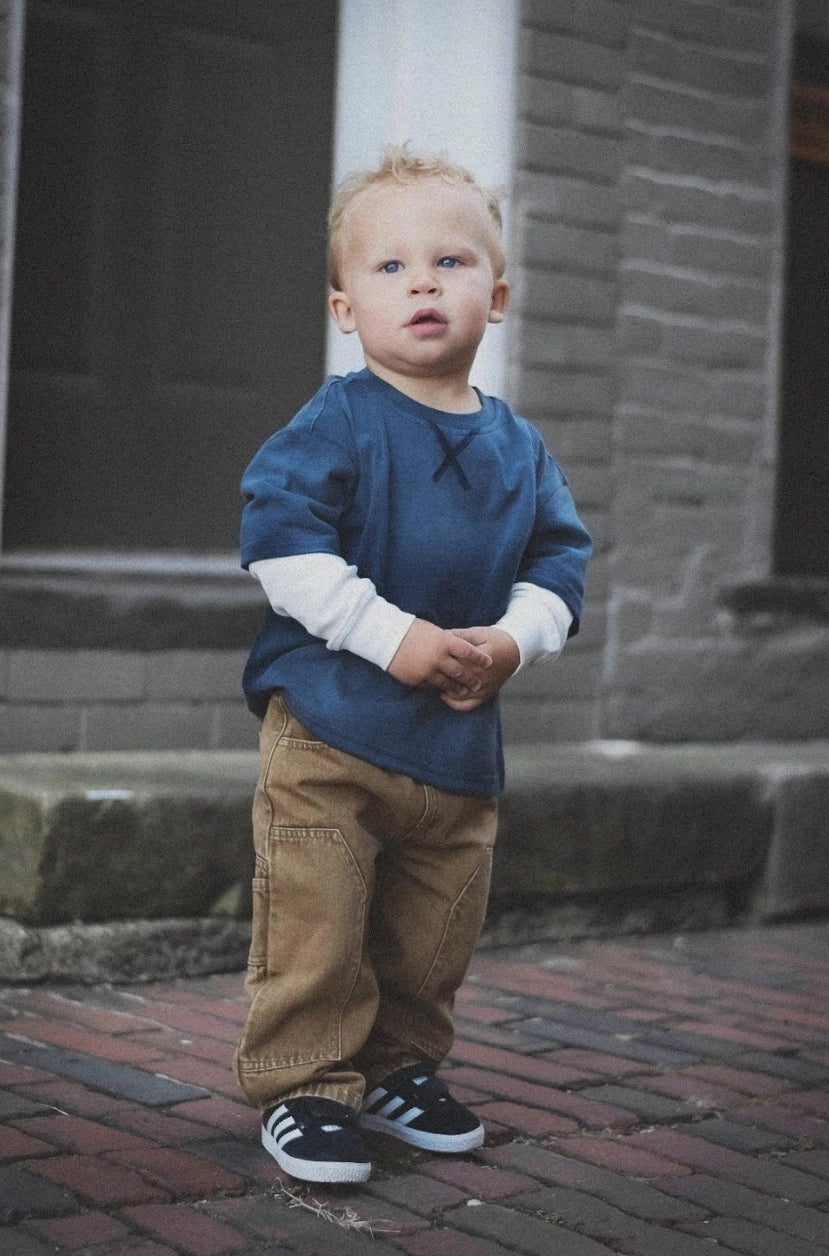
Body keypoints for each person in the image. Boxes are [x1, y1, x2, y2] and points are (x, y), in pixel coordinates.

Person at [234, 147, 592, 1184]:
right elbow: (281, 543)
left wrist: (514, 639)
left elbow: (559, 562)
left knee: (435, 924)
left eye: (450, 260)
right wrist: (395, 636)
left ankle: (398, 1066)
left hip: (457, 745)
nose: (424, 282)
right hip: (332, 729)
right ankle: (306, 1081)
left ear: (500, 294)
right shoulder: (339, 419)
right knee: (320, 915)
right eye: (391, 268)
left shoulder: (520, 449)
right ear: (345, 308)